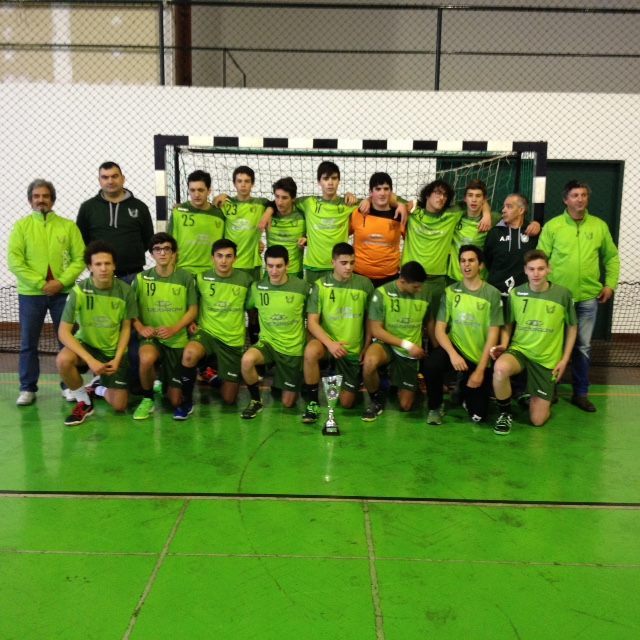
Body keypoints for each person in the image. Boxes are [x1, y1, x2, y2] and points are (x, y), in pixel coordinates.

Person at [537, 181, 620, 413]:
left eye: (583, 195)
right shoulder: (553, 227)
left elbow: (611, 257)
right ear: (566, 200)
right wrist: (544, 290)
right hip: (558, 298)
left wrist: (610, 284)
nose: (580, 199)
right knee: (553, 345)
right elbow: (540, 260)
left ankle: (580, 393)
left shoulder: (599, 226)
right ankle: (550, 390)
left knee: (583, 347)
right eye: (575, 195)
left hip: (588, 299)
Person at [8, 179, 85, 406]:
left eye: (45, 196)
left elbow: (80, 258)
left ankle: (69, 386)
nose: (41, 200)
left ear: (52, 199)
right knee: (28, 343)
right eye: (36, 196)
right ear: (30, 200)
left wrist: (61, 282)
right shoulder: (21, 227)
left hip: (63, 293)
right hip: (31, 294)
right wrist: (41, 284)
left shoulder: (68, 226)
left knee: (67, 341)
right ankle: (27, 388)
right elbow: (15, 261)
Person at [491, 250, 577, 434]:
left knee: (537, 421)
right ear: (525, 270)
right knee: (500, 369)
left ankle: (538, 396)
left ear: (548, 269)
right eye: (531, 269)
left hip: (546, 359)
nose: (536, 273)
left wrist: (564, 360)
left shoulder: (563, 294)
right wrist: (504, 345)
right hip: (520, 350)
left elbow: (572, 327)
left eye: (540, 269)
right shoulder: (516, 293)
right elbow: (508, 324)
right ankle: (505, 413)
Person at [56, 241, 137, 426]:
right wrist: (90, 360)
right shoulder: (79, 292)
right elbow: (63, 332)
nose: (103, 268)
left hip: (112, 350)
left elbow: (126, 328)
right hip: (87, 346)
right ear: (90, 267)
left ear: (114, 265)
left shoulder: (126, 291)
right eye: (98, 264)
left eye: (107, 263)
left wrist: (117, 358)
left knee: (120, 405)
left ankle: (98, 388)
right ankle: (84, 402)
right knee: (63, 360)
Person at [424, 245, 502, 425]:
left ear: (480, 265)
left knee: (478, 417)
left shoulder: (492, 294)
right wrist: (452, 354)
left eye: (471, 261)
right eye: (463, 261)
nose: (466, 265)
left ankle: (463, 391)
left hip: (478, 355)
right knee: (431, 364)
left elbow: (493, 335)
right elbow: (439, 329)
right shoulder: (451, 291)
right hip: (456, 348)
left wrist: (480, 370)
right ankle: (435, 407)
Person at [175, 239, 252, 420]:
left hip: (232, 339)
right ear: (212, 258)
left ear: (235, 259)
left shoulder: (246, 280)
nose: (223, 261)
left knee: (229, 399)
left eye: (228, 256)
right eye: (219, 256)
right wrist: (192, 320)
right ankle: (186, 402)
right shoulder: (201, 278)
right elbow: (192, 304)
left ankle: (212, 374)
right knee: (189, 354)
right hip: (207, 333)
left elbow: (253, 308)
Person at [302, 242, 374, 422]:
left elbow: (370, 321)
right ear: (333, 262)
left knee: (347, 403)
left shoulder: (364, 284)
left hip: (351, 349)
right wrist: (330, 344)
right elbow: (312, 323)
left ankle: (342, 377)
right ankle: (312, 403)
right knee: (310, 352)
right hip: (327, 345)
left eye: (352, 262)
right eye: (343, 263)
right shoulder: (320, 285)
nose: (348, 267)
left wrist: (366, 347)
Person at [130, 233, 198, 420]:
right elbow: (130, 310)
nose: (162, 253)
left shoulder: (185, 277)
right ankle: (148, 398)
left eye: (167, 249)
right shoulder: (141, 279)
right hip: (152, 337)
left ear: (174, 253)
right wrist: (141, 327)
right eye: (157, 249)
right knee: (146, 358)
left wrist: (174, 329)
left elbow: (193, 310)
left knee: (175, 400)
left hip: (176, 339)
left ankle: (163, 382)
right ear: (151, 254)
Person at [240, 245, 310, 418]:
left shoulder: (302, 287)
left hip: (292, 348)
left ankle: (291, 379)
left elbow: (312, 316)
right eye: (270, 266)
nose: (274, 271)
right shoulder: (257, 287)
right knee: (247, 361)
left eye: (279, 266)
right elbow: (244, 307)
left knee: (287, 403)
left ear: (287, 265)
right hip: (268, 343)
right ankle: (256, 401)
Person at [402, 179, 491, 313]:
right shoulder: (413, 211)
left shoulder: (452, 214)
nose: (441, 197)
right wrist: (368, 201)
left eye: (445, 195)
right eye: (437, 193)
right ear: (427, 194)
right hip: (410, 277)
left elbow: (475, 202)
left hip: (437, 280)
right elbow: (389, 198)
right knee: (408, 318)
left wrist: (487, 214)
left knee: (436, 319)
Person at [361, 261, 432, 421]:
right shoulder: (381, 293)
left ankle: (403, 385)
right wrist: (406, 344)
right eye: (415, 287)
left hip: (409, 353)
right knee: (369, 362)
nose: (419, 290)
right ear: (402, 281)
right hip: (387, 344)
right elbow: (376, 329)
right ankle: (376, 399)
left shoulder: (425, 293)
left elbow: (429, 322)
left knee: (406, 406)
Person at [76, 161, 154, 283]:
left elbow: (148, 239)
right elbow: (81, 240)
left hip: (133, 274)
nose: (110, 181)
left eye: (114, 176)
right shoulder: (88, 208)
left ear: (123, 178)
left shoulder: (140, 207)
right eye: (105, 177)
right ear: (99, 180)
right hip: (100, 275)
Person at [296, 161, 360, 283]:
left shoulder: (347, 204)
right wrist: (303, 235)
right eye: (326, 178)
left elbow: (373, 201)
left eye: (334, 178)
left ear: (339, 181)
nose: (330, 182)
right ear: (319, 181)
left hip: (339, 267)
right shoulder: (308, 203)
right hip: (314, 266)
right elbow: (284, 202)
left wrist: (352, 195)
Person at [351, 172, 404, 287]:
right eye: (378, 189)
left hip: (389, 278)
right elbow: (340, 232)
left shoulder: (400, 215)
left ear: (391, 192)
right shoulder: (358, 213)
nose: (382, 193)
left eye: (386, 189)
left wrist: (400, 205)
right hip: (359, 276)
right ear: (371, 192)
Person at [167, 170, 225, 275]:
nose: (196, 194)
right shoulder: (178, 212)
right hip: (183, 271)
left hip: (212, 272)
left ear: (209, 191)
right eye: (192, 190)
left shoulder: (220, 214)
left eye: (200, 190)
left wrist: (225, 196)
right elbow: (169, 244)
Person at [218, 166, 269, 281]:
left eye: (247, 181)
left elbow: (275, 205)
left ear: (252, 184)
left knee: (252, 292)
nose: (243, 185)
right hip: (230, 263)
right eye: (239, 181)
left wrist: (267, 214)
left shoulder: (261, 204)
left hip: (252, 264)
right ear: (234, 184)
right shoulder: (226, 204)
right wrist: (220, 196)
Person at [484, 194, 539, 297]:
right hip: (496, 293)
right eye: (504, 207)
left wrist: (537, 224)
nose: (503, 210)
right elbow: (487, 260)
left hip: (525, 293)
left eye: (509, 207)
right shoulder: (495, 233)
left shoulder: (533, 232)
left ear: (521, 210)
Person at [447, 180, 501, 282]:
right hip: (454, 278)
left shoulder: (493, 219)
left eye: (478, 196)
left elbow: (516, 220)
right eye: (470, 195)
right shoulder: (456, 216)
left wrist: (534, 224)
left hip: (479, 280)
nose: (474, 200)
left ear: (484, 199)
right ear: (465, 199)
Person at [265, 177, 306, 279]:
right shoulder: (266, 213)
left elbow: (315, 232)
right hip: (271, 271)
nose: (279, 202)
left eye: (284, 198)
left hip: (294, 271)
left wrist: (306, 240)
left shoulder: (303, 215)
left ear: (293, 198)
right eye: (277, 196)